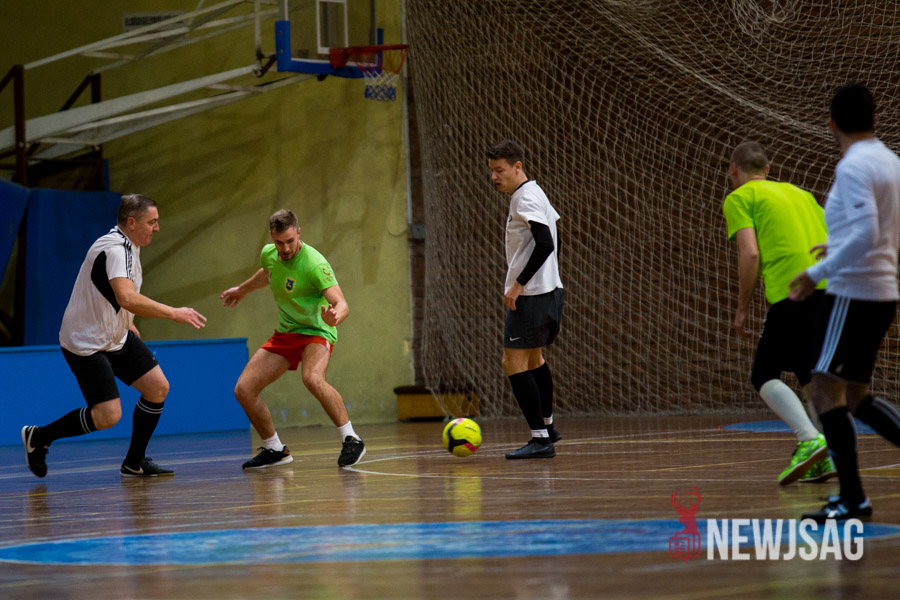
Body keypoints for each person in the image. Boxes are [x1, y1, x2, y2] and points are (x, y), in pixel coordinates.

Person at [21, 194, 208, 478]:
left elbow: (113, 294)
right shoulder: (115, 249)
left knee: (157, 388)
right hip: (86, 343)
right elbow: (126, 297)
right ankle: (39, 437)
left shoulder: (130, 246)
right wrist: (173, 313)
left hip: (116, 336)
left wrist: (127, 321)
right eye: (152, 222)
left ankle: (134, 462)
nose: (157, 228)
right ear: (131, 223)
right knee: (108, 415)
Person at [790, 82, 900, 521]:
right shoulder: (890, 160)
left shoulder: (854, 165)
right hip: (881, 291)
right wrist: (839, 248)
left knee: (823, 388)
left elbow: (868, 232)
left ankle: (853, 499)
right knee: (855, 395)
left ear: (832, 123)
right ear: (875, 118)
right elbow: (879, 230)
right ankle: (853, 497)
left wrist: (817, 272)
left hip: (853, 293)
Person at [722, 141, 837, 485]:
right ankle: (826, 456)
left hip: (794, 292)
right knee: (810, 375)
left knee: (763, 373)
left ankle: (809, 439)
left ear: (733, 169)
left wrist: (742, 308)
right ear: (768, 169)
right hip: (831, 289)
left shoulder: (740, 197)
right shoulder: (802, 194)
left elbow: (750, 253)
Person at [220, 209, 365, 469]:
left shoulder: (314, 264)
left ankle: (351, 439)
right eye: (279, 242)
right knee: (244, 389)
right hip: (287, 332)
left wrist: (335, 318)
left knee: (312, 378)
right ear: (272, 238)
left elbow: (341, 303)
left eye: (290, 241)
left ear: (298, 233)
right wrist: (242, 290)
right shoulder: (269, 254)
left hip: (316, 331)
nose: (285, 248)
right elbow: (267, 272)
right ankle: (275, 449)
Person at [487, 140, 564, 459]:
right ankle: (548, 428)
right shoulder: (534, 192)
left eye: (499, 170)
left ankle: (540, 440)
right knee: (534, 360)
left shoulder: (526, 197)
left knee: (512, 362)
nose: (494, 177)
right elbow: (554, 235)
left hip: (532, 296)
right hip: (549, 291)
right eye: (491, 171)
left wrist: (519, 284)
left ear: (517, 167)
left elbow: (545, 243)